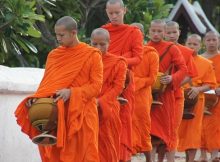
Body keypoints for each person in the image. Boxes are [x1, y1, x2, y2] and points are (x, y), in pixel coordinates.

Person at [14, 16, 103, 162]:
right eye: (57, 35)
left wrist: (72, 92)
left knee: (84, 156)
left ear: (73, 33)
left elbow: (96, 87)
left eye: (62, 35)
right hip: (56, 118)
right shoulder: (54, 56)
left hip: (82, 116)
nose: (58, 39)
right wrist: (37, 99)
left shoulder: (92, 55)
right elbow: (47, 84)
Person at [102, 0, 143, 161]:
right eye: (110, 13)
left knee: (123, 121)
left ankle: (123, 157)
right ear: (106, 12)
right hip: (105, 83)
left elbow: (138, 58)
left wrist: (119, 61)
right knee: (105, 121)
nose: (114, 16)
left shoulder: (133, 32)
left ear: (124, 10)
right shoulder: (103, 32)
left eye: (117, 13)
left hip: (125, 83)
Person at [146, 19, 187, 162]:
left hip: (165, 95)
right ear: (149, 31)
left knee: (164, 132)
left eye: (159, 31)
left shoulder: (171, 48)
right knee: (149, 130)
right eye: (153, 31)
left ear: (164, 32)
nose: (156, 34)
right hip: (148, 95)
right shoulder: (145, 47)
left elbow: (183, 69)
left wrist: (172, 78)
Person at [90, 28, 127, 162]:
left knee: (108, 145)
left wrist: (100, 101)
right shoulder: (86, 60)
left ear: (109, 43)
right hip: (88, 109)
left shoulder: (118, 62)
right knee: (89, 145)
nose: (98, 48)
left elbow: (118, 87)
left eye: (102, 44)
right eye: (95, 44)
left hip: (108, 109)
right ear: (90, 43)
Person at [178, 34, 216, 162]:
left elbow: (210, 84)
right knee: (176, 130)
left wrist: (197, 89)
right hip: (178, 98)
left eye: (195, 44)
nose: (192, 47)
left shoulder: (206, 63)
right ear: (185, 44)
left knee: (193, 133)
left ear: (200, 46)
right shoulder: (178, 60)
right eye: (190, 44)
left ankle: (190, 160)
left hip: (197, 101)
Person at [164, 21, 198, 161]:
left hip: (176, 95)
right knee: (158, 129)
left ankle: (170, 159)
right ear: (164, 33)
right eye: (169, 32)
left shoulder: (185, 52)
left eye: (174, 32)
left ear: (179, 32)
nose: (172, 35)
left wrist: (174, 83)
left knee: (173, 129)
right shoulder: (158, 49)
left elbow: (190, 74)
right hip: (158, 95)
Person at [131, 23, 159, 162]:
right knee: (126, 129)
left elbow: (152, 79)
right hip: (126, 97)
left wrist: (134, 82)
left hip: (142, 98)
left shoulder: (151, 53)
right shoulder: (125, 53)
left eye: (138, 32)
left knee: (143, 128)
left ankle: (149, 159)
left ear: (143, 34)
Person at [200, 31, 220, 161]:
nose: (211, 43)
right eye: (208, 40)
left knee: (216, 126)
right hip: (203, 95)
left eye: (214, 40)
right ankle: (202, 156)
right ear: (204, 42)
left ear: (218, 41)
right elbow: (195, 78)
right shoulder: (200, 58)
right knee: (201, 126)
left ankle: (214, 154)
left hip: (218, 96)